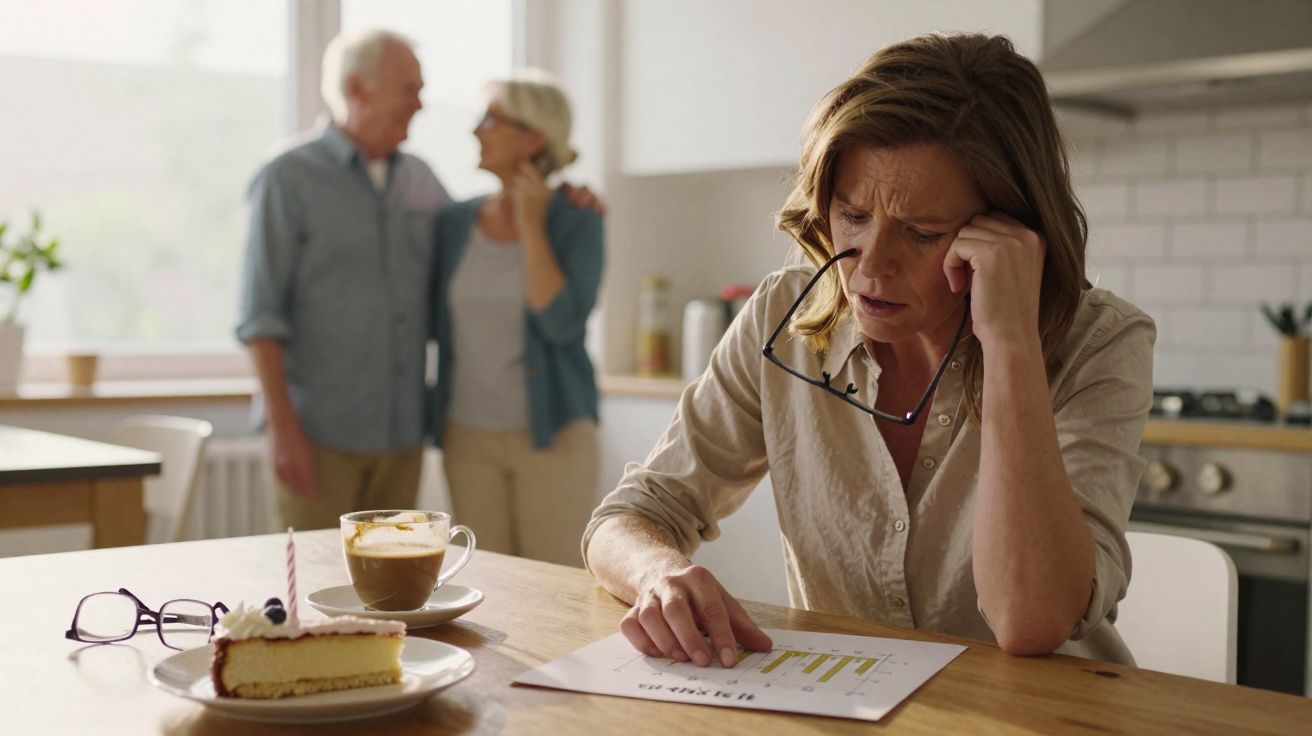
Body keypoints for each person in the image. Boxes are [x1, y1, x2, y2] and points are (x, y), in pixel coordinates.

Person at [583, 32, 1155, 669]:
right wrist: (659, 574)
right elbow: (629, 517)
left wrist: (1012, 342)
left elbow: (1030, 621)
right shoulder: (786, 315)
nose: (870, 269)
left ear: (1010, 231)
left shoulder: (1101, 343)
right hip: (853, 706)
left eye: (921, 232)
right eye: (852, 216)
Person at [237, 29, 444, 530]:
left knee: (396, 599)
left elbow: (483, 242)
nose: (420, 103)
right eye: (408, 88)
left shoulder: (422, 178)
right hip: (317, 439)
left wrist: (563, 204)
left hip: (401, 440)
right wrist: (284, 433)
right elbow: (259, 316)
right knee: (316, 594)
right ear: (357, 88)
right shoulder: (288, 176)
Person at [431, 71, 604, 567]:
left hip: (554, 438)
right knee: (486, 589)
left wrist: (531, 225)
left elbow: (562, 325)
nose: (475, 130)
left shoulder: (578, 219)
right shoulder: (453, 223)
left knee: (555, 592)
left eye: (489, 119)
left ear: (532, 137)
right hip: (466, 439)